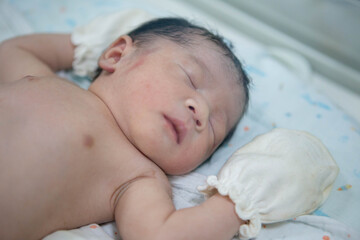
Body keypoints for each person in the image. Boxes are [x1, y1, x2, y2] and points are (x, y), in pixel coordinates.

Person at [0, 18, 250, 239]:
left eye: (213, 130)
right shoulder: (47, 81)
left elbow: (161, 235)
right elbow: (12, 51)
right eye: (190, 78)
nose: (202, 113)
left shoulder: (137, 177)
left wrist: (239, 203)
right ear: (117, 55)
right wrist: (80, 45)